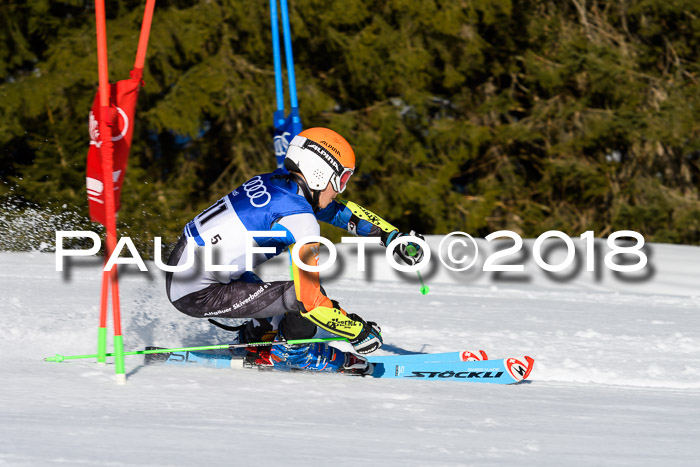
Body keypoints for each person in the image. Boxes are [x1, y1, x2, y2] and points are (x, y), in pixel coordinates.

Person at [165, 127, 424, 374]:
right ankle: (292, 354)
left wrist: (392, 236)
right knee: (300, 297)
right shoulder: (301, 219)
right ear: (320, 174)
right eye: (342, 179)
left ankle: (256, 337)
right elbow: (311, 303)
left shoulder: (273, 182)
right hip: (196, 291)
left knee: (280, 309)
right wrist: (358, 331)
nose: (340, 190)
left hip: (186, 267)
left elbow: (340, 213)